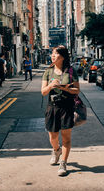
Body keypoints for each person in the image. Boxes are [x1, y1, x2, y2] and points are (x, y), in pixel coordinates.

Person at [41, 45, 80, 176]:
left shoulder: (71, 71)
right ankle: (56, 150)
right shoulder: (48, 71)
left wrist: (65, 89)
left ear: (62, 57)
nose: (53, 56)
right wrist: (51, 85)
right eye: (52, 53)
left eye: (56, 53)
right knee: (53, 136)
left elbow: (77, 90)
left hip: (67, 106)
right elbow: (43, 92)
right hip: (52, 106)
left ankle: (63, 162)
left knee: (66, 137)